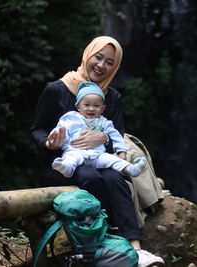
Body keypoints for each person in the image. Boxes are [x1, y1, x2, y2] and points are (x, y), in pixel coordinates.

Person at [31, 36, 164, 267]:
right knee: (89, 176)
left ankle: (134, 246)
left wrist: (102, 137)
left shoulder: (112, 98)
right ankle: (104, 243)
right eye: (98, 57)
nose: (102, 65)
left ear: (115, 67)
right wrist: (48, 143)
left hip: (102, 161)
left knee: (115, 179)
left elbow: (117, 138)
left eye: (109, 62)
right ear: (87, 55)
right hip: (63, 164)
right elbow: (37, 129)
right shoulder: (56, 90)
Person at [51, 81, 147, 178]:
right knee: (71, 158)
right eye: (87, 105)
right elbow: (61, 130)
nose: (91, 109)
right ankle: (67, 168)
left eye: (96, 106)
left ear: (102, 109)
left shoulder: (105, 123)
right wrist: (58, 136)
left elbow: (116, 136)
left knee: (112, 160)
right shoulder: (72, 118)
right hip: (76, 151)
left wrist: (121, 151)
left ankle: (130, 169)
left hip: (97, 155)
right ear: (78, 106)